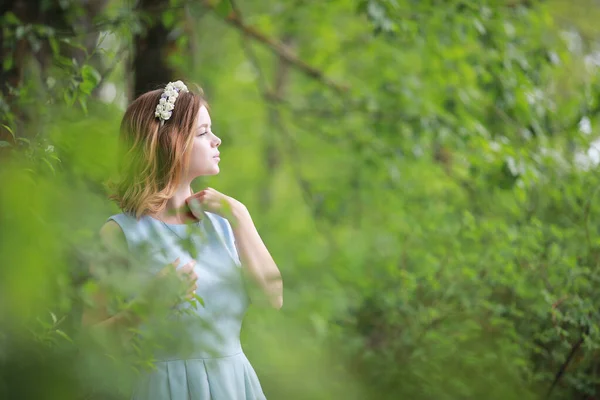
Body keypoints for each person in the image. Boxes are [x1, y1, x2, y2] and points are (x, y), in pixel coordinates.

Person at [82, 80, 283, 399]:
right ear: (167, 142)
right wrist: (146, 306)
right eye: (203, 133)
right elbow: (89, 341)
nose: (217, 140)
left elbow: (272, 298)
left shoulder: (223, 223)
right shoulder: (120, 233)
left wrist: (241, 216)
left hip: (233, 386)